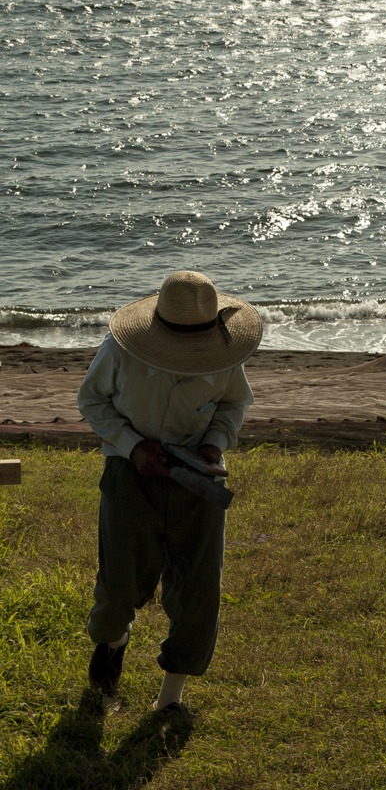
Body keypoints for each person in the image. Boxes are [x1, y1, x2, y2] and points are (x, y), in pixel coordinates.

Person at [78, 269, 262, 712]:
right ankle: (113, 643)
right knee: (119, 583)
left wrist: (213, 446)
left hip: (199, 478)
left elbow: (233, 405)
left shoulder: (225, 356)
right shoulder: (120, 351)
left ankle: (170, 698)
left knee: (198, 589)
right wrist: (134, 447)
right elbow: (92, 401)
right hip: (129, 473)